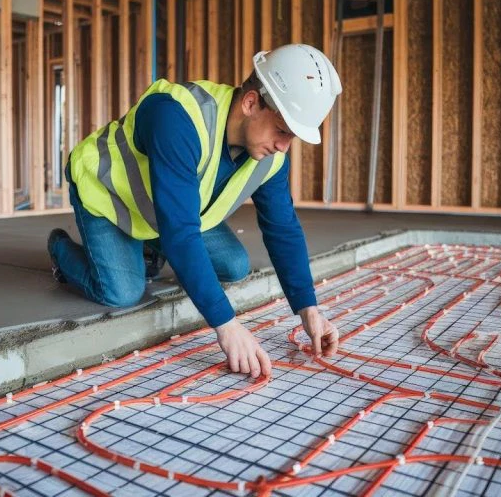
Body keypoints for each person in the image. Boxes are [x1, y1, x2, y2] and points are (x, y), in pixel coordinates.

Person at [48, 43, 342, 379]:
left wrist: (308, 309)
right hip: (108, 195)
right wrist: (226, 325)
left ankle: (149, 246)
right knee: (121, 292)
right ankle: (59, 248)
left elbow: (283, 227)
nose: (283, 147)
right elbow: (181, 234)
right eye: (281, 131)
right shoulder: (177, 117)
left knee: (234, 265)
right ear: (250, 103)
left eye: (292, 137)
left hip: (171, 212)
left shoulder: (272, 157)